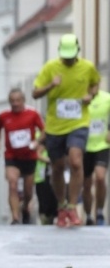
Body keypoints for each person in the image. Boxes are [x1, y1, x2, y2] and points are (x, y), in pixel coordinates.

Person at [32, 33, 100, 228]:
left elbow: (95, 84)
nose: (68, 60)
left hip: (79, 122)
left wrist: (90, 95)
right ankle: (61, 206)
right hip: (55, 126)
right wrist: (50, 85)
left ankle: (72, 206)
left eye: (71, 56)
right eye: (65, 56)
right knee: (57, 167)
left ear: (77, 51)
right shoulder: (50, 68)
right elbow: (35, 93)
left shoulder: (87, 67)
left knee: (76, 160)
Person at [0, 89, 45, 224]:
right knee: (12, 184)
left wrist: (37, 142)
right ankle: (15, 217)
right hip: (12, 157)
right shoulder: (3, 116)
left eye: (18, 100)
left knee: (28, 192)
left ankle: (25, 208)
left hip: (29, 156)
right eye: (12, 101)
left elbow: (45, 130)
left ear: (23, 101)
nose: (15, 104)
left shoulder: (32, 114)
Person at [82, 89, 110, 225]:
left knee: (100, 177)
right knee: (86, 184)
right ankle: (88, 215)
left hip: (101, 145)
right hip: (83, 146)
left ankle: (99, 212)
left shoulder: (106, 98)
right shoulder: (79, 96)